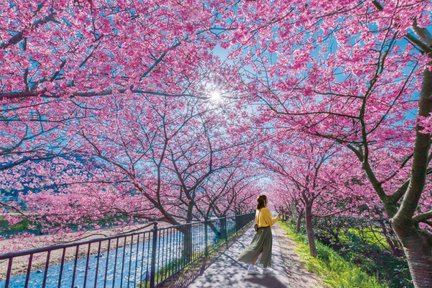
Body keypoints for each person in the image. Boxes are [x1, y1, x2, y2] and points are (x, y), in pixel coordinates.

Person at [238, 194, 282, 275]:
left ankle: (252, 267)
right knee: (266, 249)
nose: (268, 200)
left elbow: (256, 223)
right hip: (266, 231)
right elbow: (270, 222)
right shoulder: (265, 210)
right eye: (267, 199)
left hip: (260, 231)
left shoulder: (258, 210)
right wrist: (278, 216)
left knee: (258, 249)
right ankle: (264, 268)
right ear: (264, 201)